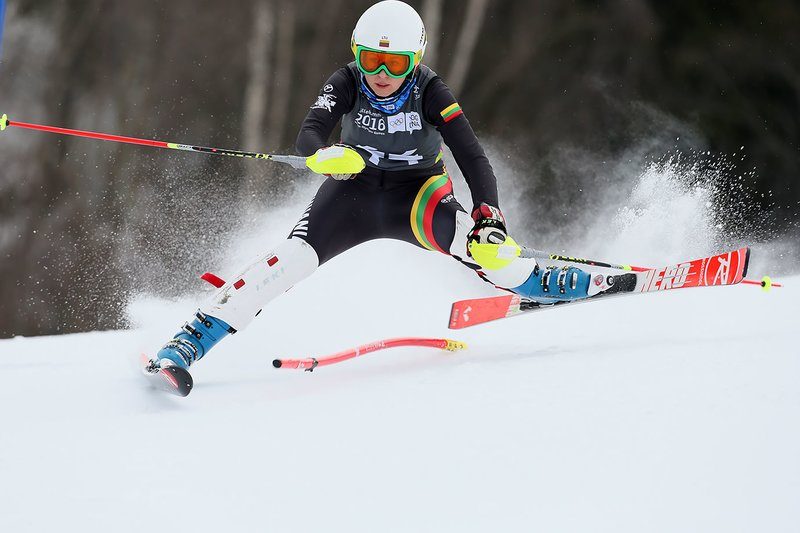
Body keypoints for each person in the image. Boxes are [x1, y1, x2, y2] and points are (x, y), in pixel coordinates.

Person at [150, 0, 616, 371]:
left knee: (484, 252)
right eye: (372, 59)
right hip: (352, 193)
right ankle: (190, 341)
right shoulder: (347, 81)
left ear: (415, 60)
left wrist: (488, 217)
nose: (382, 74)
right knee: (286, 262)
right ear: (357, 54)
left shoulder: (431, 91)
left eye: (396, 63)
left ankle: (541, 282)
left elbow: (471, 156)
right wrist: (322, 154)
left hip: (417, 195)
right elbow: (311, 128)